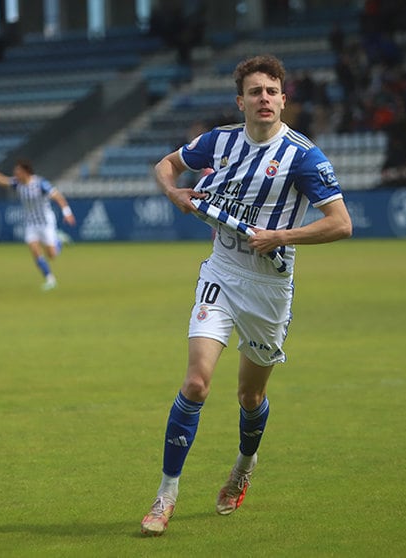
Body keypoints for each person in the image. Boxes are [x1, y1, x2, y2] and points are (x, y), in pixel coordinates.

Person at [140, 54, 352, 536]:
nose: (264, 99)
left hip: (270, 286)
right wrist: (177, 194)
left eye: (272, 91)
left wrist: (282, 237)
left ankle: (244, 466)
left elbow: (342, 224)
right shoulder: (219, 142)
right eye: (255, 91)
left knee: (250, 394)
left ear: (283, 100)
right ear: (241, 101)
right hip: (221, 270)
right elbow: (165, 166)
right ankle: (165, 494)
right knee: (196, 383)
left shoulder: (304, 156)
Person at [0, 159, 76, 290]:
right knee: (35, 251)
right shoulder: (17, 183)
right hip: (31, 223)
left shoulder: (40, 184)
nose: (15, 174)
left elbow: (58, 196)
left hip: (45, 222)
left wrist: (67, 212)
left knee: (52, 255)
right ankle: (50, 279)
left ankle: (58, 239)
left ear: (26, 172)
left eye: (17, 172)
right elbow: (2, 180)